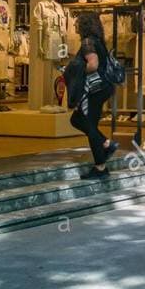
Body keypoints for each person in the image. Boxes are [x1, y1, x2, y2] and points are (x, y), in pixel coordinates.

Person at [63, 12, 118, 179]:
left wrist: (77, 72)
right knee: (78, 120)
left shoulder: (87, 42)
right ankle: (106, 144)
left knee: (88, 124)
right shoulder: (98, 41)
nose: (75, 26)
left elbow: (92, 65)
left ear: (84, 25)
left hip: (95, 89)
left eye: (77, 23)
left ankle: (101, 167)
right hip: (103, 87)